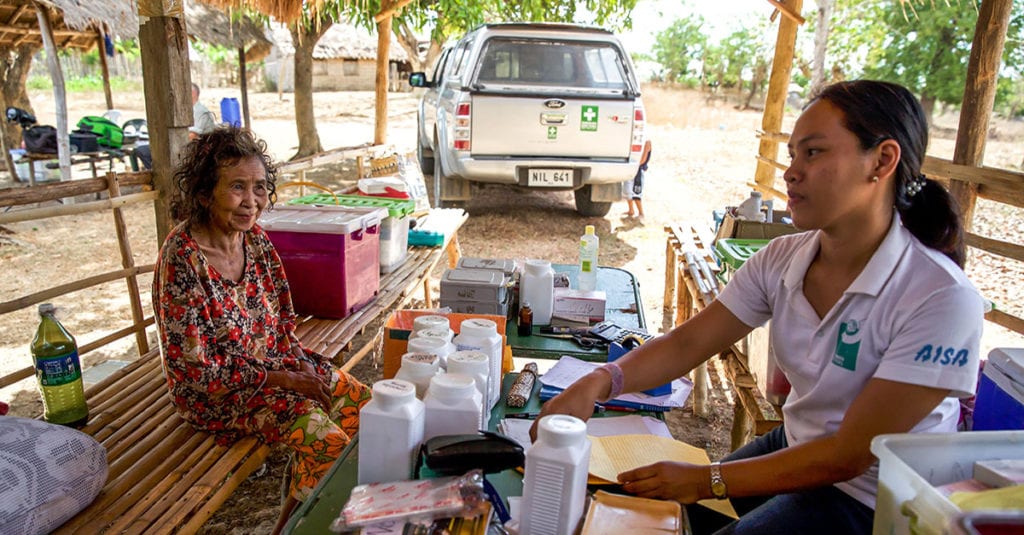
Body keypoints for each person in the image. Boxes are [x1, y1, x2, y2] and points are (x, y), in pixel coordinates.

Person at [532, 80, 985, 534]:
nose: (791, 172)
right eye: (792, 155)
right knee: (650, 515)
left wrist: (707, 480)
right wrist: (600, 380)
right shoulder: (783, 259)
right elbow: (689, 342)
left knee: (683, 510)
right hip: (798, 444)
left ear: (882, 160)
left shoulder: (940, 298)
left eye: (814, 153)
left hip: (875, 498)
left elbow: (850, 455)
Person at [152, 126, 370, 533]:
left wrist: (299, 366)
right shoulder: (182, 260)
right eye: (236, 187)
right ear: (203, 194)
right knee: (331, 445)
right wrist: (285, 379)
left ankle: (296, 512)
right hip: (221, 395)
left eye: (259, 187)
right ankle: (295, 526)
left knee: (368, 408)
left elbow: (282, 320)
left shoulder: (256, 242)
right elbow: (198, 374)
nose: (251, 201)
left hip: (276, 368)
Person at [625, 139, 651, 218]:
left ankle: (641, 213)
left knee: (636, 193)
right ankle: (631, 210)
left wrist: (634, 165)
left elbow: (643, 159)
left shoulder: (647, 142)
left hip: (638, 169)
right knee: (627, 191)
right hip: (631, 167)